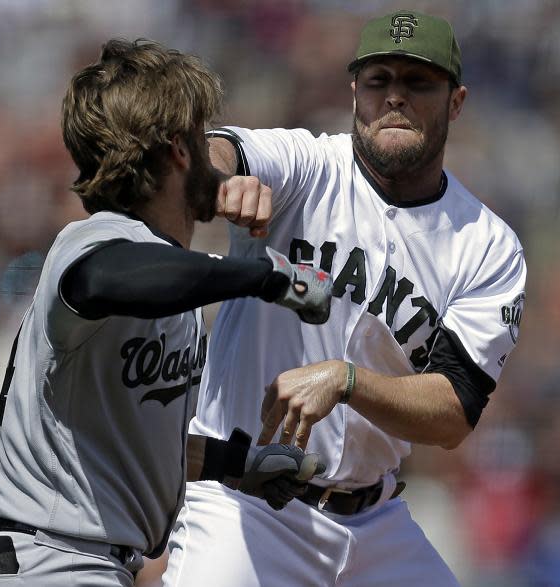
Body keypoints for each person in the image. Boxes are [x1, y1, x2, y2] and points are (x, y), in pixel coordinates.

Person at [0, 39, 331, 587]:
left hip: (77, 564)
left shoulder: (167, 277)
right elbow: (106, 278)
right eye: (201, 135)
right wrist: (267, 278)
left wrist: (237, 466)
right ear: (178, 151)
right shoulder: (95, 242)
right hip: (35, 561)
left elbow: (136, 446)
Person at [164, 10, 527, 587]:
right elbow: (223, 148)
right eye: (379, 80)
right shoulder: (310, 168)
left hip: (377, 522)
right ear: (355, 91)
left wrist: (348, 379)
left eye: (418, 83)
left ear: (456, 102)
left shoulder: (486, 244)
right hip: (246, 507)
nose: (396, 98)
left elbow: (453, 414)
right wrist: (224, 177)